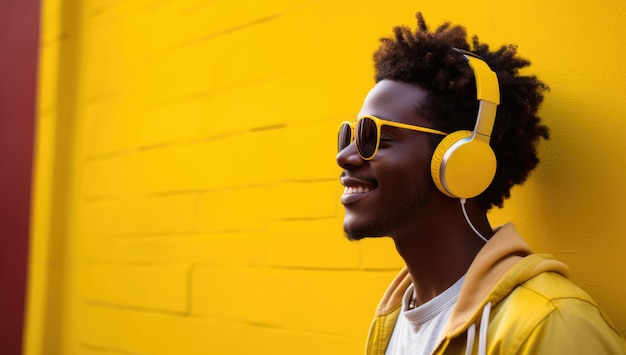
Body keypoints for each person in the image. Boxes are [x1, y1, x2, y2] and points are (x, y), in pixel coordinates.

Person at [335, 12, 626, 355]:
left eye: (374, 137)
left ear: (460, 160)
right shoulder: (394, 317)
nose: (346, 156)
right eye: (348, 137)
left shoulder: (549, 326)